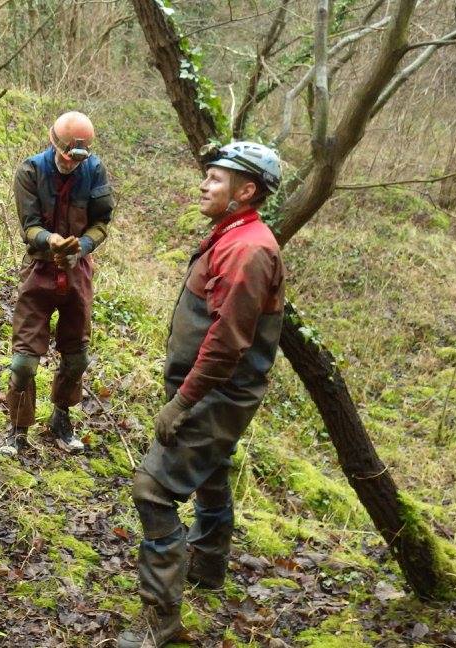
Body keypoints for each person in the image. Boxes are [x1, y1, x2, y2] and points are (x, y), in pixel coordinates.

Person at [118, 141, 285, 647]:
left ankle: (161, 622)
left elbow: (227, 342)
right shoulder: (233, 234)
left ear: (245, 191)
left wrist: (183, 402)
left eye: (215, 178)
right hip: (212, 389)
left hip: (219, 395)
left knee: (152, 490)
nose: (203, 184)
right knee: (212, 471)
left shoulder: (248, 250)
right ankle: (208, 565)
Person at [0, 111, 114, 456]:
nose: (70, 162)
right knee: (23, 363)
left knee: (77, 357)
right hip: (39, 269)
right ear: (54, 143)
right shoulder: (31, 171)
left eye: (78, 156)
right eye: (66, 154)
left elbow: (101, 223)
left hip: (78, 272)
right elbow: (29, 225)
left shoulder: (94, 171)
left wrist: (83, 247)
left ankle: (61, 417)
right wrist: (51, 240)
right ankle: (18, 428)